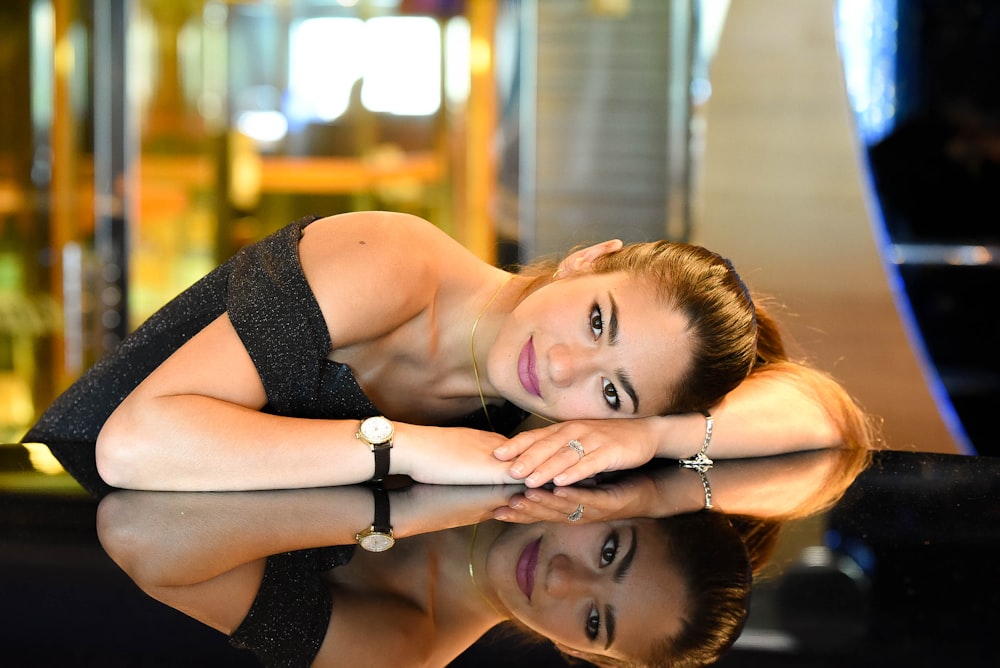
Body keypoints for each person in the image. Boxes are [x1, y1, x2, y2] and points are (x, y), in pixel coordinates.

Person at [23, 210, 876, 492]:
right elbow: (132, 445)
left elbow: (825, 419)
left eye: (614, 391)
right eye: (598, 321)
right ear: (588, 261)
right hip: (53, 523)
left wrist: (650, 437)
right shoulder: (393, 262)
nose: (570, 370)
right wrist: (417, 447)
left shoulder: (547, 407)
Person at [96, 476, 769, 668]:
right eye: (609, 551)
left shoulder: (401, 648)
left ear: (579, 652)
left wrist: (395, 508)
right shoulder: (497, 426)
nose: (563, 581)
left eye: (595, 622)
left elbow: (137, 533)